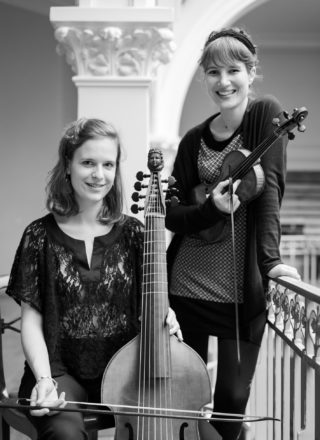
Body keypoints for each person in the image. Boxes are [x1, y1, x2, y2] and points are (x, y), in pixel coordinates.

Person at [6, 118, 181, 440]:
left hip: (127, 373)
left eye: (108, 164)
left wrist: (166, 316)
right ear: (68, 165)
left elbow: (154, 304)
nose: (98, 175)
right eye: (88, 162)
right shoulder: (38, 236)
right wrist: (44, 379)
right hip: (59, 371)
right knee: (64, 433)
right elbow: (32, 321)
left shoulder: (136, 235)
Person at [165, 28, 301, 440]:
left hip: (241, 294)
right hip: (186, 284)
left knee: (229, 408)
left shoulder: (265, 115)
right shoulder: (193, 140)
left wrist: (271, 262)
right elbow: (172, 213)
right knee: (183, 404)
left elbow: (269, 189)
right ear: (204, 78)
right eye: (213, 72)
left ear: (251, 72)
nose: (223, 81)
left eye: (233, 70)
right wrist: (210, 209)